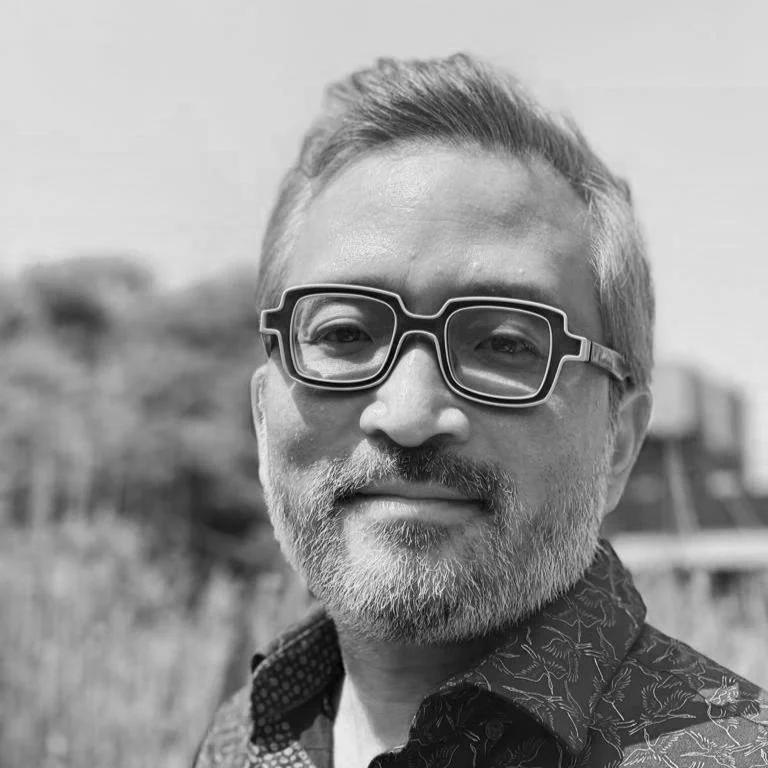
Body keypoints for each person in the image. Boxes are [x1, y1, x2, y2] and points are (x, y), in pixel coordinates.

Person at [194, 54, 767, 768]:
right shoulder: (241, 735)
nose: (408, 415)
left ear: (619, 440)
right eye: (343, 334)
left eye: (503, 343)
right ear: (262, 417)